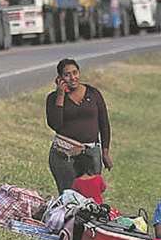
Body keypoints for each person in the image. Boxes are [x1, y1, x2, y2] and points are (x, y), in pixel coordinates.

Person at [45, 58, 113, 193]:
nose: (72, 77)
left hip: (91, 153)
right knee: (69, 196)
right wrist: (60, 94)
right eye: (67, 74)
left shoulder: (93, 93)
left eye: (75, 73)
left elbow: (104, 123)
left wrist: (105, 152)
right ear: (60, 78)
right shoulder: (53, 98)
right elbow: (55, 124)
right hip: (65, 155)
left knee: (91, 195)